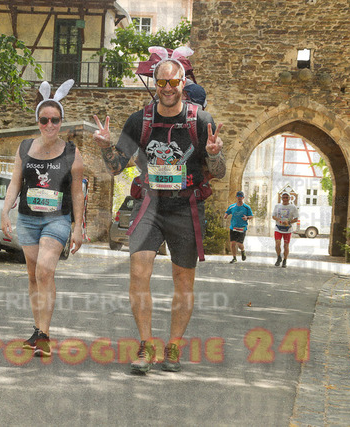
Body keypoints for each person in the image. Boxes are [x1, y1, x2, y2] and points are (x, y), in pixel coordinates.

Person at [92, 46, 226, 373]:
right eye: (162, 82)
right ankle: (146, 344)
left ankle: (174, 346)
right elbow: (116, 167)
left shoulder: (201, 121)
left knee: (183, 281)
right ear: (155, 83)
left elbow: (220, 173)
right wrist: (107, 147)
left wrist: (214, 155)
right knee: (139, 273)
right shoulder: (139, 120)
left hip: (186, 207)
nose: (168, 88)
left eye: (174, 82)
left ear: (183, 83)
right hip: (149, 205)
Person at [1, 79, 84, 358]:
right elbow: (15, 183)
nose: (50, 125)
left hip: (56, 220)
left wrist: (78, 227)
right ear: (38, 121)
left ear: (61, 122)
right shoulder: (24, 148)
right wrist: (5, 210)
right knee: (33, 275)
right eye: (44, 120)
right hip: (27, 219)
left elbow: (77, 193)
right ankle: (37, 330)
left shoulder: (72, 153)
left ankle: (45, 335)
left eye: (55, 120)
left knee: (45, 271)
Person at [223, 191, 254, 263]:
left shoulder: (246, 207)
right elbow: (227, 212)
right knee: (232, 243)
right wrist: (226, 215)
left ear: (243, 198)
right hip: (233, 227)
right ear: (236, 197)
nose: (239, 198)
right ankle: (234, 258)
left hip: (242, 228)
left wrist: (247, 217)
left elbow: (251, 216)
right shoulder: (232, 206)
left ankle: (242, 251)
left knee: (239, 244)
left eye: (241, 197)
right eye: (238, 197)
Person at [272, 192, 299, 268]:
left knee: (286, 246)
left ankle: (285, 260)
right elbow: (273, 216)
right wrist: (278, 219)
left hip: (287, 229)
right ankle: (279, 257)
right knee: (277, 244)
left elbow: (296, 219)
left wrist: (289, 222)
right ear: (281, 198)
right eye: (283, 197)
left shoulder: (293, 207)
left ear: (289, 198)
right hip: (278, 228)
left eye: (287, 197)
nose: (285, 199)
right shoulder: (277, 206)